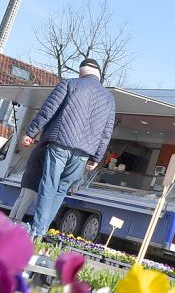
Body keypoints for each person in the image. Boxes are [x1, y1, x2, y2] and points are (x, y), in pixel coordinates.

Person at [21, 58, 115, 239]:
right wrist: (96, 157)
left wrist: (31, 132)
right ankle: (40, 231)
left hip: (60, 143)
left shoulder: (69, 84)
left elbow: (48, 110)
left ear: (81, 73)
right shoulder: (109, 99)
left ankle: (36, 231)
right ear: (98, 75)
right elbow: (106, 132)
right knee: (61, 190)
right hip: (83, 153)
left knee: (49, 185)